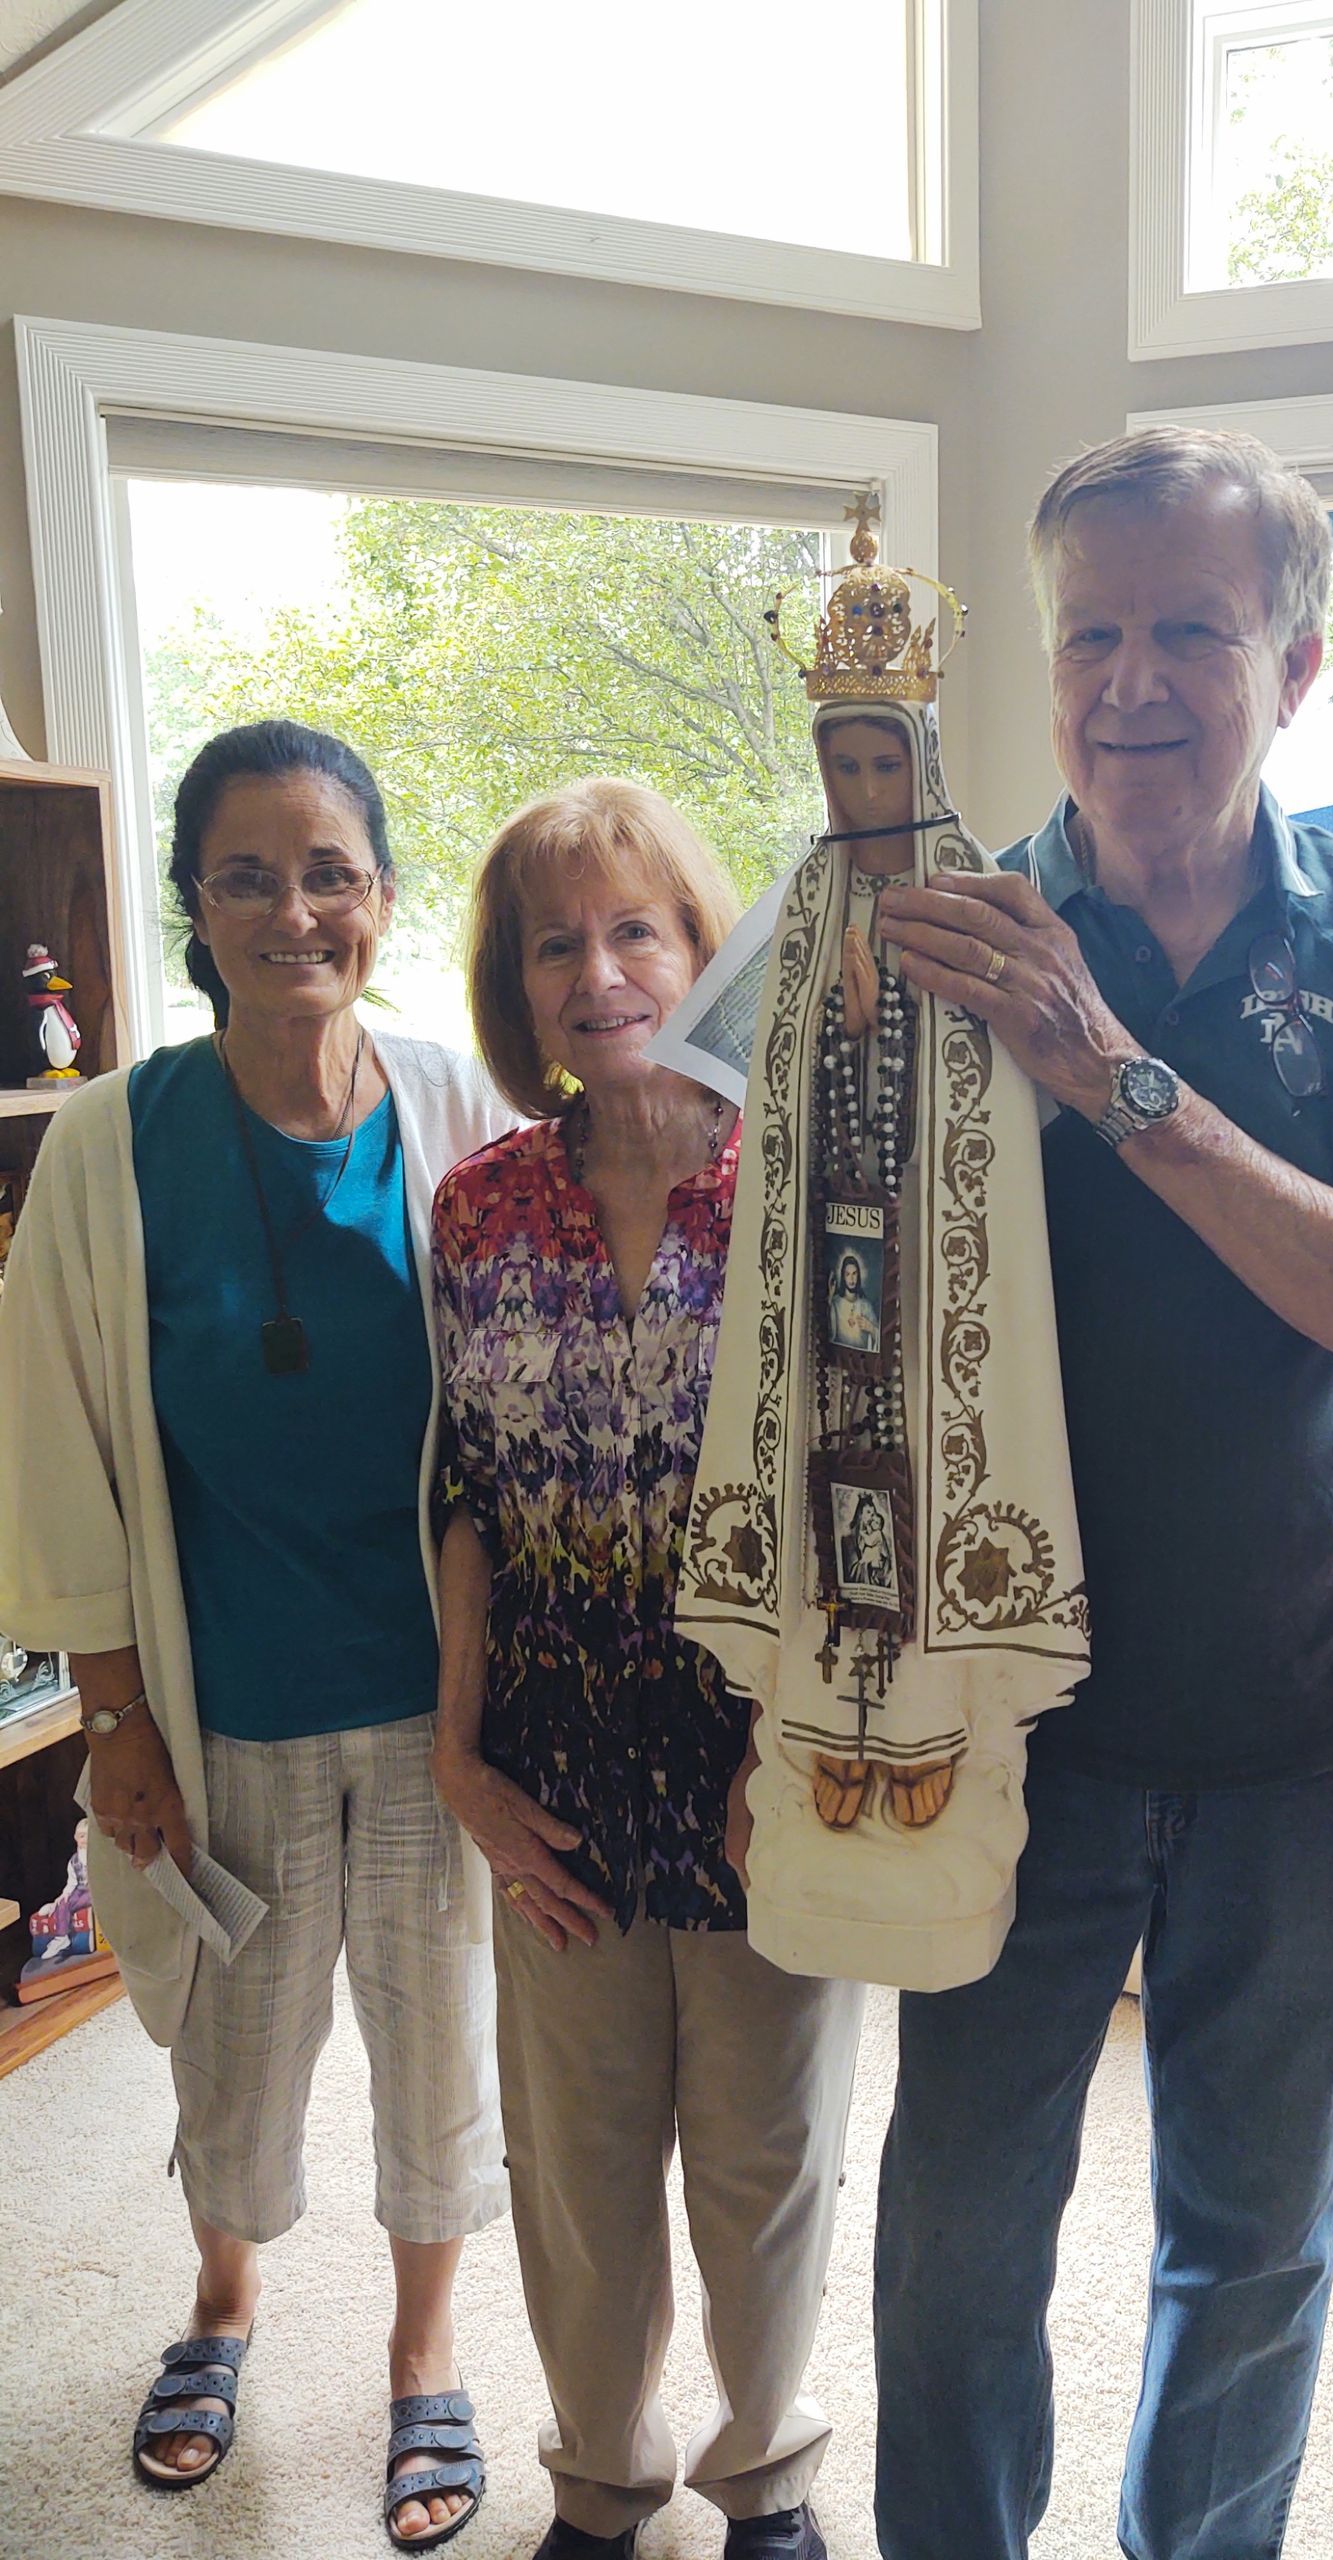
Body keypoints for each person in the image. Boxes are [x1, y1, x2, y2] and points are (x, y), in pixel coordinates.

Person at [867, 424, 1333, 2558]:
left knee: (1252, 2245)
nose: (1132, 683)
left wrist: (1112, 1077)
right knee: (958, 2235)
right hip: (1004, 1713)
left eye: (1194, 634)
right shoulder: (944, 933)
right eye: (1093, 635)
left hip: (1298, 1711)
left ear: (1295, 665)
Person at [0, 720, 517, 2549]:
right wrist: (111, 1719)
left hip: (446, 1706)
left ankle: (424, 2352)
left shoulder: (464, 1113)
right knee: (239, 2040)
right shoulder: (109, 1146)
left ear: (381, 894)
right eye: (245, 876)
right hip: (222, 1701)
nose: (293, 911)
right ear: (194, 906)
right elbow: (58, 1440)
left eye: (328, 873)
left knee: (439, 2041)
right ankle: (220, 2302)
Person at [430, 779, 865, 2560]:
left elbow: (859, 1492)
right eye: (556, 944)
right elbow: (464, 1494)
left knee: (765, 2158)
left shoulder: (811, 1188)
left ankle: (766, 2478)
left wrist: (794, 1743)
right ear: (517, 985)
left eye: (637, 931)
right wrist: (460, 1758)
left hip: (770, 1760)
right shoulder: (477, 1207)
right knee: (579, 2170)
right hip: (550, 1773)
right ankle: (603, 2485)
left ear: (702, 952)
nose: (597, 972)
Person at [828, 1249, 882, 1352]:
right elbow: (830, 1336)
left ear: (858, 1275)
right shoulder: (835, 1303)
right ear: (843, 1277)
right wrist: (829, 1300)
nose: (851, 1279)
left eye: (854, 1273)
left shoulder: (866, 1306)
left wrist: (870, 1328)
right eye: (847, 1274)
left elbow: (881, 1340)